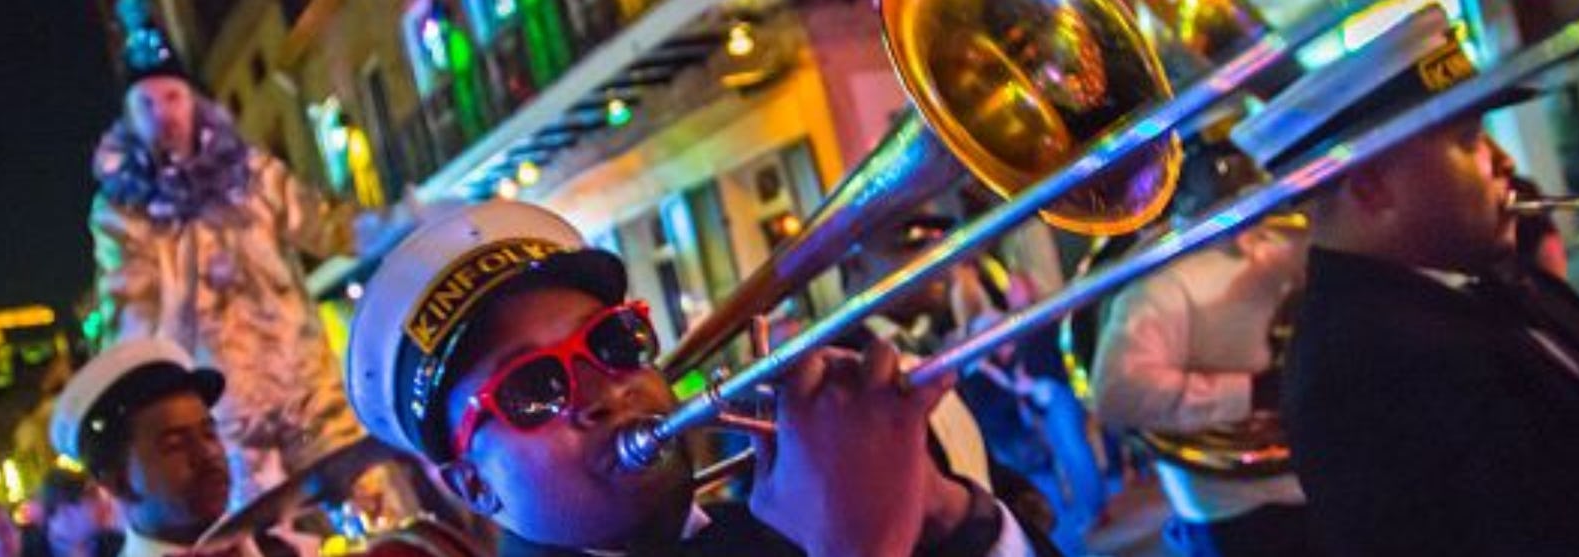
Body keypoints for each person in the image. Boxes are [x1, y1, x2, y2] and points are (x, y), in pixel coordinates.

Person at [1227, 7, 1579, 554]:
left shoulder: (1478, 279)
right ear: (1371, 188)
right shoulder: (1374, 365)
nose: (1504, 160)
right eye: (1471, 138)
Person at [343, 200, 1041, 556]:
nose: (604, 389)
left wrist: (949, 513)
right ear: (473, 484)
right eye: (534, 387)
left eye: (615, 342)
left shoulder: (769, 528)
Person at [86, 17, 372, 502]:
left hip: (308, 388)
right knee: (262, 535)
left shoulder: (251, 173)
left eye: (173, 98)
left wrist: (417, 222)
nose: (164, 115)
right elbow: (129, 308)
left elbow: (328, 227)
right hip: (222, 416)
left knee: (369, 502)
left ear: (195, 104)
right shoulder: (122, 210)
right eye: (147, 103)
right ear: (129, 117)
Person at [839, 199, 1103, 554]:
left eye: (937, 239)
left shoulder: (926, 340)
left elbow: (953, 449)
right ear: (854, 265)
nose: (936, 255)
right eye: (912, 241)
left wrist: (1008, 490)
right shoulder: (841, 370)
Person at [1091, 209, 1318, 557]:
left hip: (1324, 473)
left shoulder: (1300, 229)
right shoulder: (1164, 275)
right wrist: (1251, 392)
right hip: (1234, 509)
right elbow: (1117, 393)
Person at [49, 338, 314, 557]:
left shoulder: (285, 548)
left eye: (209, 433)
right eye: (174, 445)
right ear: (119, 482)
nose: (208, 454)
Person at [22, 470, 121, 557]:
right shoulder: (29, 551)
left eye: (73, 503)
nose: (65, 516)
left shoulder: (118, 545)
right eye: (54, 511)